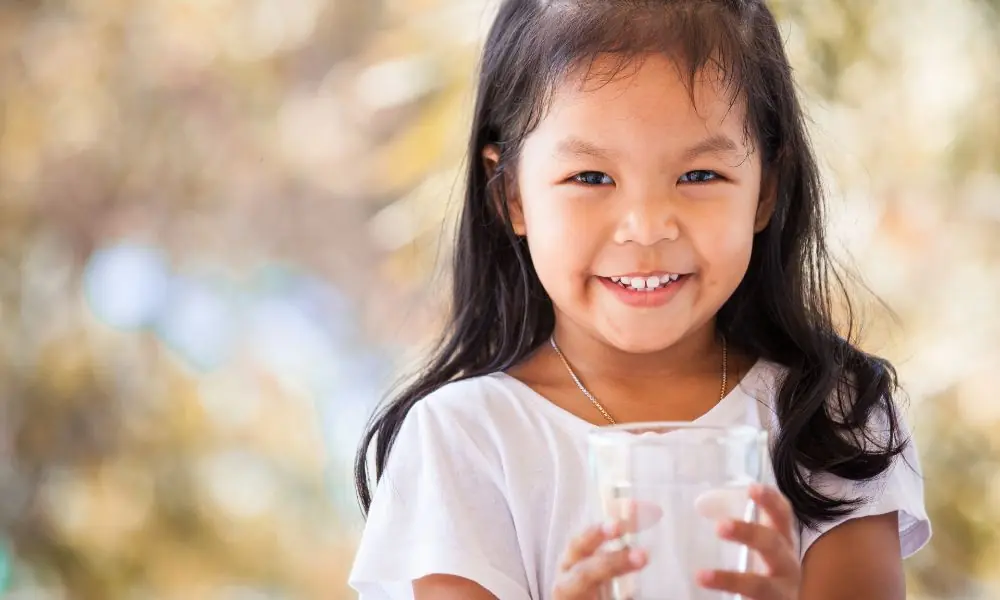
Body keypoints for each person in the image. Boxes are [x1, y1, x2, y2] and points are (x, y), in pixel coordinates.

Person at [349, 0, 931, 598]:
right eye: (591, 178)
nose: (647, 227)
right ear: (513, 196)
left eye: (700, 176)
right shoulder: (464, 438)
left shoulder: (834, 421)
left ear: (767, 189)